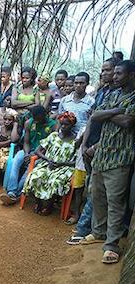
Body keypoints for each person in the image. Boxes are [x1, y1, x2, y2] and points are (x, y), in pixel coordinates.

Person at [83, 60, 135, 264]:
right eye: (114, 73)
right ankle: (99, 232)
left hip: (120, 158)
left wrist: (109, 114)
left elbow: (129, 121)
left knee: (116, 202)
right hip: (102, 155)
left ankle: (112, 244)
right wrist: (116, 111)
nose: (114, 76)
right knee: (97, 196)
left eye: (119, 73)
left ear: (131, 75)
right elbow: (95, 115)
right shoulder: (113, 94)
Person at [23, 112, 77, 215]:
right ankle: (38, 202)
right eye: (62, 124)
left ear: (72, 125)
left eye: (67, 124)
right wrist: (48, 159)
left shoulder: (75, 141)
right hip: (48, 163)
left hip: (64, 167)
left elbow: (76, 161)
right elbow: (38, 151)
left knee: (55, 181)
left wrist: (62, 163)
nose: (63, 127)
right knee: (35, 176)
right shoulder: (53, 136)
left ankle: (49, 205)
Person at [0, 106, 56, 205]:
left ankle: (15, 194)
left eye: (38, 119)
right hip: (28, 150)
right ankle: (12, 191)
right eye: (34, 118)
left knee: (30, 168)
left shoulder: (52, 126)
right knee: (16, 160)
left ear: (44, 116)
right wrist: (26, 154)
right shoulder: (29, 123)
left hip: (42, 154)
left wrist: (33, 155)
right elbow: (26, 142)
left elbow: (49, 146)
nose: (36, 121)